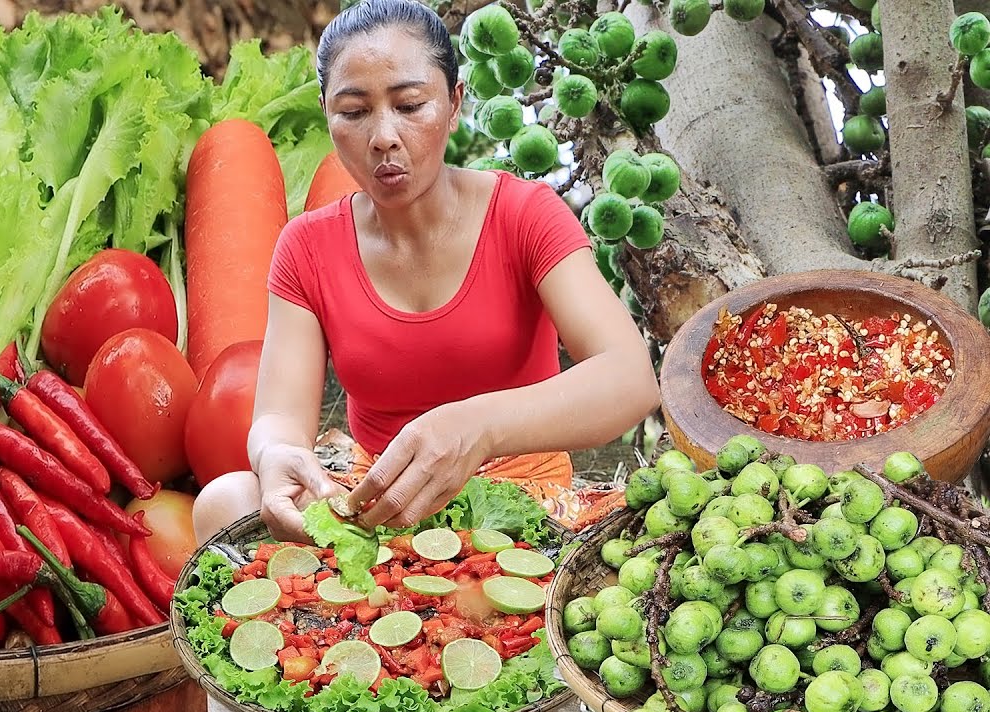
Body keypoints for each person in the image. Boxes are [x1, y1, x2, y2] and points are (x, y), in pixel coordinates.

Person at [191, 0, 660, 547]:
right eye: (354, 111)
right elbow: (277, 416)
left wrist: (477, 428)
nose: (383, 136)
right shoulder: (307, 247)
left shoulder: (524, 215)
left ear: (455, 102)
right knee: (225, 502)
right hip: (378, 506)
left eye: (410, 105)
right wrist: (277, 455)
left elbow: (630, 378)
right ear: (327, 114)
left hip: (522, 508)